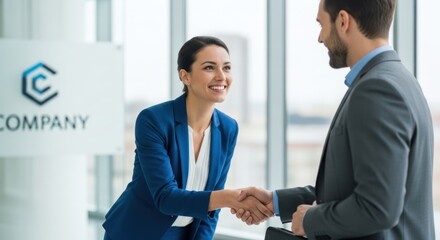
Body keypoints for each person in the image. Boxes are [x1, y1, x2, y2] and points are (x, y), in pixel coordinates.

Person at [233, 0, 435, 239]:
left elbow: (378, 207)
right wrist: (276, 201)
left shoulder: (376, 89)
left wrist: (310, 220)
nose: (320, 38)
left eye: (321, 24)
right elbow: (352, 188)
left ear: (342, 21)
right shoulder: (399, 79)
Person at [102, 36, 272, 240]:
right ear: (185, 76)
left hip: (184, 235)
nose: (221, 76)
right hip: (136, 232)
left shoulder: (228, 128)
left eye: (226, 68)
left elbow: (211, 211)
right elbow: (166, 197)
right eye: (209, 68)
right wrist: (232, 198)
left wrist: (227, 201)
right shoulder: (154, 120)